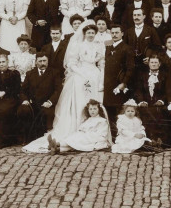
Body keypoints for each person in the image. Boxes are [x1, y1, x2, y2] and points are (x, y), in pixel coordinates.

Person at [23, 22, 106, 153]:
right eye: (88, 33)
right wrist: (82, 73)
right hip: (80, 75)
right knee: (79, 102)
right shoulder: (78, 45)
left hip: (94, 76)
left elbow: (102, 63)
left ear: (96, 34)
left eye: (93, 33)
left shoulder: (99, 45)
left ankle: (91, 127)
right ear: (84, 34)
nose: (91, 35)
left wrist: (100, 79)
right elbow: (71, 63)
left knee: (94, 100)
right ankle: (76, 128)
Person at [17, 53, 62, 144]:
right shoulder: (30, 74)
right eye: (40, 61)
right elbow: (22, 90)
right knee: (23, 110)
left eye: (44, 61)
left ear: (48, 61)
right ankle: (26, 138)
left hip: (48, 103)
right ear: (36, 62)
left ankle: (45, 139)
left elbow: (58, 90)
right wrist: (25, 100)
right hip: (33, 104)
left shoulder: (54, 73)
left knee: (47, 113)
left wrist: (50, 101)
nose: (42, 63)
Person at [134, 55, 171, 143]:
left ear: (159, 64)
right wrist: (141, 101)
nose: (154, 64)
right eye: (152, 62)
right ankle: (150, 139)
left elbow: (168, 90)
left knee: (159, 113)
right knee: (145, 113)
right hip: (146, 103)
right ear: (148, 64)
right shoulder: (143, 75)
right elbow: (138, 90)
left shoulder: (165, 75)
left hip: (159, 103)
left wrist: (161, 100)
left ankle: (160, 139)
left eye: (156, 62)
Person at [103, 24, 135, 122]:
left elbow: (130, 68)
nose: (114, 35)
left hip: (119, 85)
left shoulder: (127, 48)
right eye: (112, 33)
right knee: (108, 112)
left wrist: (123, 83)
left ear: (122, 34)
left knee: (118, 112)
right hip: (108, 85)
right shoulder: (108, 48)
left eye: (117, 33)